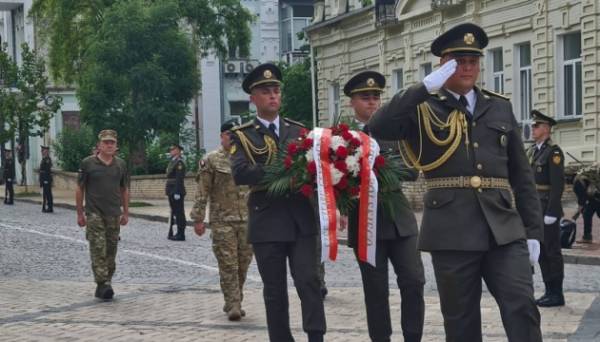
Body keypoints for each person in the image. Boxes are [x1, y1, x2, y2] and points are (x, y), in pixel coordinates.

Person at [368, 23, 544, 342]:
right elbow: (378, 125)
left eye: (472, 61)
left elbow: (522, 175)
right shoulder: (422, 107)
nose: (466, 67)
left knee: (522, 306)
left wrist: (533, 231)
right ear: (443, 64)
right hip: (451, 230)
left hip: (503, 227)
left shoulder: (499, 106)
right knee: (460, 321)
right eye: (458, 61)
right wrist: (422, 88)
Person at [230, 63, 326, 342]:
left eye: (275, 91)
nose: (272, 96)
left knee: (309, 282)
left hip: (300, 219)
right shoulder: (243, 135)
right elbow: (240, 173)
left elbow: (315, 167)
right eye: (265, 91)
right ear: (253, 98)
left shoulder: (299, 131)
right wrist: (284, 172)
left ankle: (316, 336)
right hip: (267, 221)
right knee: (274, 289)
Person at [343, 71, 425, 342]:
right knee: (376, 292)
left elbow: (412, 171)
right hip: (365, 222)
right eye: (365, 98)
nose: (372, 102)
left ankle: (413, 337)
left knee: (414, 282)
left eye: (376, 97)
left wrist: (378, 166)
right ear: (352, 102)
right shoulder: (341, 139)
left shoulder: (395, 131)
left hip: (400, 220)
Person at [191, 120, 253, 321]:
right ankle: (233, 303)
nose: (233, 137)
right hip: (222, 221)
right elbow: (202, 191)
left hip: (246, 220)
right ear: (222, 136)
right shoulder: (211, 160)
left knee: (243, 263)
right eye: (229, 133)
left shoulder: (247, 159)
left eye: (237, 134)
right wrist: (198, 219)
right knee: (228, 264)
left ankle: (236, 298)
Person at [76, 129, 129, 300]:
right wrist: (80, 213)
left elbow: (124, 189)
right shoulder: (88, 164)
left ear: (116, 146)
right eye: (105, 142)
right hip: (94, 213)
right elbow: (80, 188)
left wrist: (126, 212)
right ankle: (103, 283)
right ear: (99, 145)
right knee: (98, 247)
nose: (109, 145)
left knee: (111, 251)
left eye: (112, 142)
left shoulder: (120, 164)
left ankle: (105, 282)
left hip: (113, 214)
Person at [526, 110, 566, 307]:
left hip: (547, 208)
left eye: (536, 126)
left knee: (551, 250)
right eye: (533, 126)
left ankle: (557, 293)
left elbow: (557, 185)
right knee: (540, 250)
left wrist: (552, 211)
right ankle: (549, 291)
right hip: (535, 207)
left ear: (547, 129)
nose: (532, 129)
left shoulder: (554, 152)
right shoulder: (534, 151)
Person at [573, 164, 600, 243]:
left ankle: (587, 237)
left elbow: (582, 199)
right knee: (587, 214)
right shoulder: (580, 177)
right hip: (593, 196)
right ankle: (587, 237)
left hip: (596, 195)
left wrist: (577, 213)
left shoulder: (577, 183)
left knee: (588, 213)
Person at [166, 144, 187, 241]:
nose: (171, 151)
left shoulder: (179, 163)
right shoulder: (172, 161)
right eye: (171, 149)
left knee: (179, 212)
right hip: (171, 190)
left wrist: (177, 192)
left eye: (173, 149)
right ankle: (173, 231)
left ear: (178, 150)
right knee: (174, 212)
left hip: (176, 190)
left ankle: (181, 233)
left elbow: (179, 178)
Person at [40, 145, 54, 213]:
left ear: (47, 152)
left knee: (48, 194)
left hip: (47, 179)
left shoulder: (47, 159)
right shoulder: (44, 159)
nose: (42, 152)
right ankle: (46, 206)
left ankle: (49, 207)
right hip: (44, 179)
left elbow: (47, 170)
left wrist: (46, 180)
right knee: (45, 194)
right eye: (42, 151)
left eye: (44, 151)